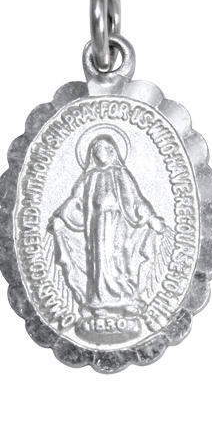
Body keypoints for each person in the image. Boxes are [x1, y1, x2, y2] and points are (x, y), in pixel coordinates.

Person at [47, 134, 165, 318]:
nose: (100, 153)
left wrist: (150, 218)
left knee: (119, 258)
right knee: (99, 261)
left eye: (103, 150)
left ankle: (128, 299)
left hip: (117, 223)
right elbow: (75, 200)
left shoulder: (120, 174)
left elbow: (135, 200)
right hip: (97, 225)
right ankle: (98, 302)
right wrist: (61, 218)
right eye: (96, 151)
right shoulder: (89, 177)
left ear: (111, 152)